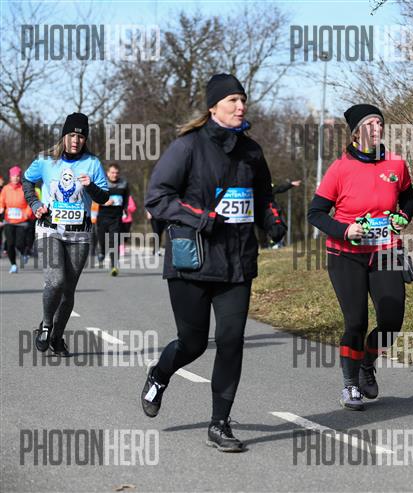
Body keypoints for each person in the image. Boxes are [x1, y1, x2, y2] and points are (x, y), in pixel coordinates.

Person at [142, 74, 286, 452]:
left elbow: (264, 196)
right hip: (192, 261)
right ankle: (159, 374)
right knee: (192, 344)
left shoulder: (251, 151)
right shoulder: (188, 146)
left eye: (243, 100)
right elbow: (158, 197)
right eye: (233, 100)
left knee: (231, 340)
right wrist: (201, 218)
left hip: (237, 263)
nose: (241, 106)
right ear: (213, 107)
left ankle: (219, 424)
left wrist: (273, 221)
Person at [307, 104, 413, 411]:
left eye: (379, 124)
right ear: (356, 133)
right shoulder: (340, 168)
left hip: (384, 251)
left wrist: (403, 218)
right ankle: (350, 384)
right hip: (346, 255)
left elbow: (409, 197)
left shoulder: (395, 163)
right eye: (369, 125)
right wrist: (345, 230)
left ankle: (367, 362)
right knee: (356, 321)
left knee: (391, 320)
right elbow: (315, 213)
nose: (377, 129)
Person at [22, 112, 109, 356]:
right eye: (71, 135)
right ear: (64, 136)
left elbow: (104, 197)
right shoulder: (45, 160)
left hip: (79, 234)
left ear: (85, 139)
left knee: (68, 291)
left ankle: (57, 337)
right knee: (56, 281)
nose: (76, 140)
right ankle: (46, 325)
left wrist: (91, 185)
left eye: (81, 137)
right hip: (49, 229)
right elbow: (27, 181)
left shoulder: (93, 163)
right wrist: (35, 204)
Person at [96, 163, 129, 276]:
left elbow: (126, 199)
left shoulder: (124, 184)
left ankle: (114, 265)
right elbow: (95, 198)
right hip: (102, 216)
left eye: (116, 173)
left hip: (116, 217)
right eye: (112, 172)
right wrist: (104, 202)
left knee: (114, 240)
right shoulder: (102, 183)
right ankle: (102, 251)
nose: (114, 175)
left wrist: (125, 210)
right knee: (102, 239)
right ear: (108, 173)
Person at [0, 166, 34, 272]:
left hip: (22, 221)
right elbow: (1, 201)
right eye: (14, 176)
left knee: (19, 243)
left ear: (20, 177)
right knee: (10, 244)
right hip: (9, 220)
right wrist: (1, 208)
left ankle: (24, 253)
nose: (16, 178)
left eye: (18, 176)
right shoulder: (6, 189)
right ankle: (13, 265)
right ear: (10, 177)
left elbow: (30, 202)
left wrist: (27, 214)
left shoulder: (24, 188)